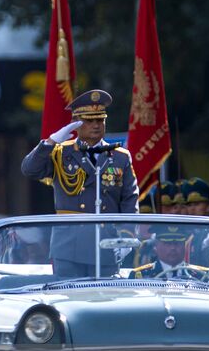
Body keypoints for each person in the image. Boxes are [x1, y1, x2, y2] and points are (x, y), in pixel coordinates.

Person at [20, 89, 138, 276]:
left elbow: (129, 201)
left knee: (106, 300)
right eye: (89, 121)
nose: (96, 125)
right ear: (76, 123)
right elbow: (29, 169)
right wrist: (50, 142)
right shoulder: (61, 152)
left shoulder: (119, 156)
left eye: (100, 120)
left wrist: (127, 237)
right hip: (68, 247)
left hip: (105, 244)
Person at [132, 225, 209, 279]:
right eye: (167, 243)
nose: (173, 248)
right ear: (156, 246)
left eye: (177, 243)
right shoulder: (140, 275)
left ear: (185, 246)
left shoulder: (202, 275)